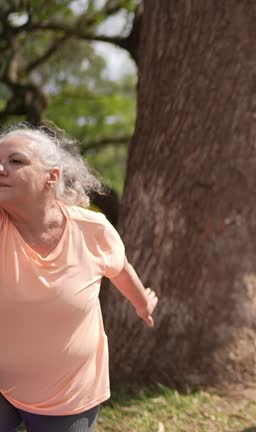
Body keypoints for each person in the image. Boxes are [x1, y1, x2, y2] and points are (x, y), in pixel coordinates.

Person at [0, 125, 158, 432]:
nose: (0, 167)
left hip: (69, 395)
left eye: (16, 161)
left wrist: (141, 304)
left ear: (52, 176)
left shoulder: (92, 229)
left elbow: (120, 268)